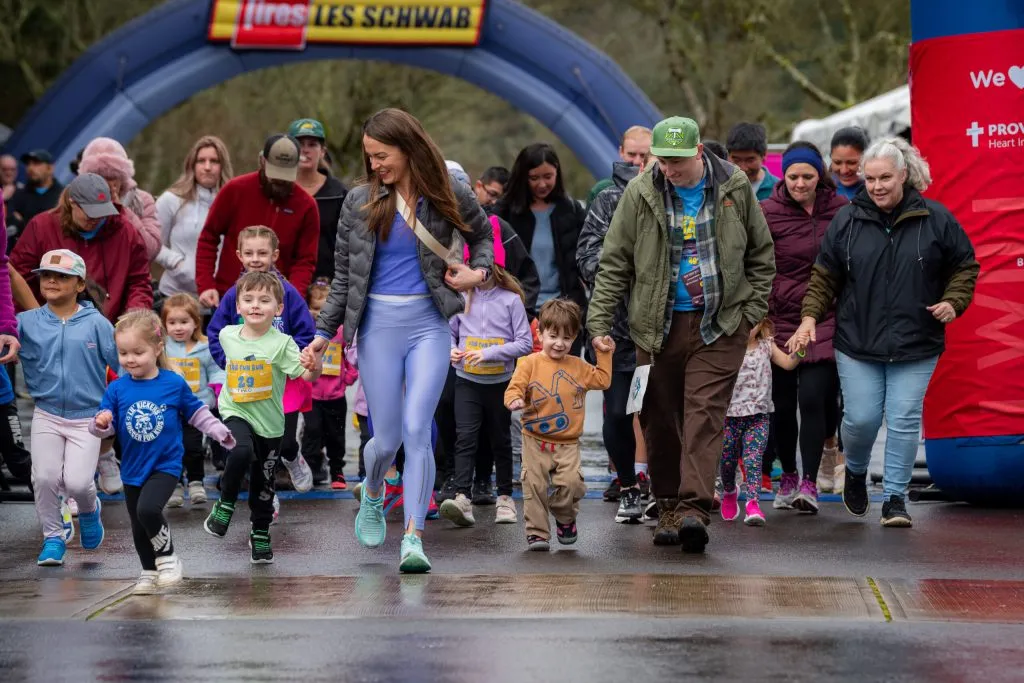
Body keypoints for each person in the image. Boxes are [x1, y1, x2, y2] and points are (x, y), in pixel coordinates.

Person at [305, 107, 493, 573]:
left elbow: (484, 236)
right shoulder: (358, 202)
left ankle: (413, 536)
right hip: (376, 328)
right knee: (386, 438)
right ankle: (373, 490)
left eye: (381, 155)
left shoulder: (449, 192)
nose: (375, 166)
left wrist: (477, 272)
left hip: (429, 324)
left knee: (417, 430)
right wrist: (323, 334)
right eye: (369, 157)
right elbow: (346, 279)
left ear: (408, 148)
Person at [587, 116, 775, 553]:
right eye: (662, 160)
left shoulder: (733, 186)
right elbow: (614, 261)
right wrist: (599, 323)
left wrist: (749, 314)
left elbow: (761, 253)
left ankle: (694, 508)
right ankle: (667, 504)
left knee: (703, 414)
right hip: (657, 326)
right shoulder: (641, 192)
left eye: (676, 160)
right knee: (658, 417)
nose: (668, 169)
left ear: (697, 153)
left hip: (719, 324)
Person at [794, 137, 979, 528]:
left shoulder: (936, 218)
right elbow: (825, 275)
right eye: (870, 179)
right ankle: (856, 471)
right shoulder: (847, 219)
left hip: (917, 340)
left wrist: (953, 302)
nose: (877, 187)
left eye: (885, 179)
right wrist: (810, 317)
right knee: (860, 419)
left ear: (904, 175)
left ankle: (895, 498)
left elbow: (964, 265)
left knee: (904, 417)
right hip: (857, 340)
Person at [90, 309, 235, 593]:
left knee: (148, 509)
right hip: (132, 467)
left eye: (138, 352)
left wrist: (219, 432)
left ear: (157, 348)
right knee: (137, 523)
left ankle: (168, 558)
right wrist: (101, 423)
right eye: (123, 353)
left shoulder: (172, 383)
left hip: (165, 465)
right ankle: (148, 569)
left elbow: (196, 413)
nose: (130, 359)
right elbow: (103, 427)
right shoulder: (117, 388)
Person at [434, 162, 539, 506]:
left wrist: (522, 312)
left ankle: (482, 478)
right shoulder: (431, 225)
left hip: (490, 331)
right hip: (445, 327)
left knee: (489, 419)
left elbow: (525, 273)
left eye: (459, 191)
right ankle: (453, 475)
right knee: (447, 407)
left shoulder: (494, 226)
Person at [204, 272, 321, 562]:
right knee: (240, 452)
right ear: (238, 307)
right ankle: (225, 503)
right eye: (248, 299)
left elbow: (306, 375)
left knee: (263, 483)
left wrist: (314, 365)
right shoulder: (227, 335)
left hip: (270, 424)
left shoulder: (282, 344)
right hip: (235, 411)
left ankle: (260, 533)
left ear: (278, 309)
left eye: (264, 300)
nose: (255, 305)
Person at [761, 141, 848, 513]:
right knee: (781, 403)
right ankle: (790, 475)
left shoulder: (841, 210)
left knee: (815, 398)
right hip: (780, 318)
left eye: (807, 176)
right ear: (784, 175)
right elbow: (757, 263)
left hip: (826, 317)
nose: (799, 183)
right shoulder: (767, 212)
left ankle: (810, 483)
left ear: (820, 175)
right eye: (793, 176)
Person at [17, 249, 119, 566]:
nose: (51, 280)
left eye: (62, 276)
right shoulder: (25, 323)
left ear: (79, 284)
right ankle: (52, 538)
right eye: (46, 275)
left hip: (88, 417)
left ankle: (90, 512)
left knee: (77, 482)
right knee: (44, 478)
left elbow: (122, 366)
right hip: (46, 413)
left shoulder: (98, 324)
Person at [206, 226, 316, 493]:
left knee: (284, 440)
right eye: (249, 253)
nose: (255, 258)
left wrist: (293, 359)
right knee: (256, 442)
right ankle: (266, 495)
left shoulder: (287, 293)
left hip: (283, 381)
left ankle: (293, 458)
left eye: (262, 253)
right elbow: (215, 332)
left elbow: (306, 331)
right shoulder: (235, 294)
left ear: (275, 254)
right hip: (248, 380)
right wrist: (228, 361)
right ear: (239, 255)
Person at [439, 225, 533, 528]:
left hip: (499, 383)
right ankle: (463, 497)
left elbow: (525, 342)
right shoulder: (462, 298)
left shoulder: (510, 300)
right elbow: (448, 333)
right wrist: (451, 350)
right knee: (465, 438)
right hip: (467, 379)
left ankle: (505, 498)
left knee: (500, 440)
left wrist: (490, 353)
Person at [577, 150, 651, 522]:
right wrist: (628, 265)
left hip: (666, 331)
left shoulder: (685, 200)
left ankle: (663, 488)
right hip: (619, 329)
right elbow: (587, 258)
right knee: (620, 412)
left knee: (662, 414)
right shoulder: (609, 200)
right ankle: (627, 486)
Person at [505, 299, 612, 550]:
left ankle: (564, 516)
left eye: (567, 337)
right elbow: (514, 387)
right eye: (553, 336)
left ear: (574, 338)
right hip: (533, 439)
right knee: (534, 486)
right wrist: (515, 399)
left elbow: (603, 380)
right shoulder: (529, 363)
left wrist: (605, 353)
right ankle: (538, 532)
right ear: (539, 333)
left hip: (567, 442)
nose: (559, 343)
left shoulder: (577, 366)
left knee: (572, 483)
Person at [195, 134, 319, 308]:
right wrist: (206, 284)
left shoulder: (306, 205)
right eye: (275, 172)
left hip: (276, 302)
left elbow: (305, 260)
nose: (279, 180)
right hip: (230, 296)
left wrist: (293, 297)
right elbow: (209, 237)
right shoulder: (235, 190)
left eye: (286, 175)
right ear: (262, 161)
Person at [11, 174, 153, 319]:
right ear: (72, 202)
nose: (96, 219)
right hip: (49, 327)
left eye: (102, 212)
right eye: (90, 213)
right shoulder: (41, 227)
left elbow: (139, 282)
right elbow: (18, 278)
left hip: (108, 329)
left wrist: (133, 319)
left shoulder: (126, 232)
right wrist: (35, 319)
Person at [720, 318, 801, 526]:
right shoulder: (726, 346)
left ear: (761, 323)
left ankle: (752, 504)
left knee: (753, 460)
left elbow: (788, 363)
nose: (748, 327)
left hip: (759, 415)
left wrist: (800, 349)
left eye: (752, 322)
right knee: (727, 459)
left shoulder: (767, 345)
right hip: (730, 416)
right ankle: (729, 490)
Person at [496, 144, 587, 322]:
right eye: (534, 178)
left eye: (548, 177)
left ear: (557, 174)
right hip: (517, 310)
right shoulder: (504, 212)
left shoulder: (572, 211)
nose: (542, 184)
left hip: (563, 313)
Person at [161, 293, 225, 507]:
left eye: (184, 322)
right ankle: (175, 483)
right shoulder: (162, 349)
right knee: (171, 447)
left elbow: (216, 370)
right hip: (169, 409)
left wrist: (217, 392)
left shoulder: (205, 347)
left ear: (196, 322)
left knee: (192, 446)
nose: (178, 327)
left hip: (196, 407)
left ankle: (196, 481)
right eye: (172, 322)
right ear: (164, 324)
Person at [155, 136, 235, 301]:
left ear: (223, 166)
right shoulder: (171, 200)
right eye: (201, 161)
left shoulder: (234, 203)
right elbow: (153, 245)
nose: (207, 167)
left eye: (214, 161)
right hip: (175, 298)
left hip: (220, 299)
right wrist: (177, 264)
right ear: (192, 165)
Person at [303, 278, 358, 488]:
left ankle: (337, 471)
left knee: (337, 434)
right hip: (313, 394)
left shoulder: (342, 331)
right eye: (316, 308)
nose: (320, 313)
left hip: (336, 394)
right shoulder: (308, 331)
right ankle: (310, 468)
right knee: (312, 431)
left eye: (325, 308)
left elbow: (351, 353)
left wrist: (347, 378)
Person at [77, 138, 161, 260]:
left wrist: (122, 212)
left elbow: (150, 250)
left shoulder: (141, 200)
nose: (105, 184)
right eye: (99, 178)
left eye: (112, 177)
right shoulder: (74, 202)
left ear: (122, 177)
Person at [288, 119, 349, 282]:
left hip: (326, 286)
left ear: (322, 151)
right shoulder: (279, 191)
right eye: (299, 144)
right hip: (283, 285)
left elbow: (349, 247)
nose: (305, 150)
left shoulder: (339, 194)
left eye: (312, 145)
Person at [6, 150, 63, 250]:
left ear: (50, 168)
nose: (30, 168)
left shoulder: (63, 195)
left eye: (37, 163)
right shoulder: (18, 194)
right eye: (28, 164)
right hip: (25, 254)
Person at [586, 126, 653, 207]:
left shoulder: (664, 189)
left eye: (643, 155)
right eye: (631, 154)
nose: (637, 161)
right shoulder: (602, 189)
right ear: (621, 152)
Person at [727, 122, 778, 201]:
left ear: (764, 155)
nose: (743, 168)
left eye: (750, 160)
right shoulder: (719, 187)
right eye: (736, 160)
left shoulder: (778, 190)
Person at [829, 126, 870, 200]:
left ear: (866, 158)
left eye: (851, 163)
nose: (844, 170)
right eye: (837, 163)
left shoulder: (878, 191)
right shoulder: (822, 191)